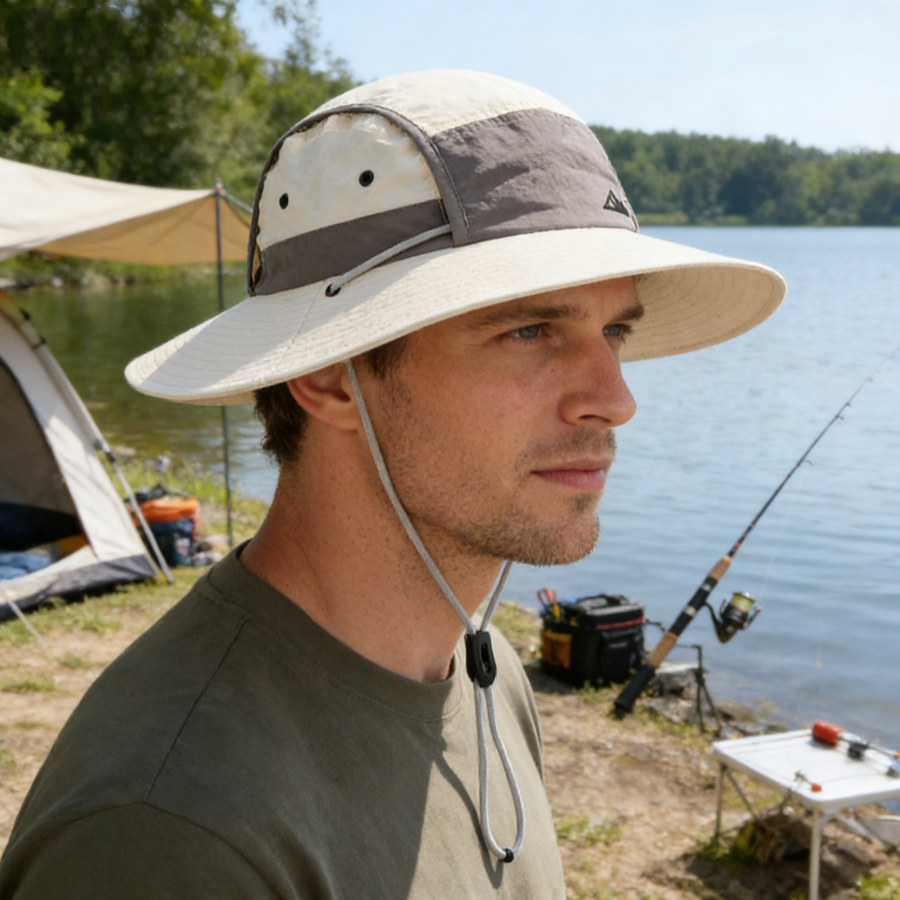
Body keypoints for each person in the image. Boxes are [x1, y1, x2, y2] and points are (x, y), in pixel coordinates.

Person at [0, 70, 786, 898]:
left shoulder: (480, 669)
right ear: (333, 377)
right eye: (529, 329)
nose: (615, 401)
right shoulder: (169, 832)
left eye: (614, 332)